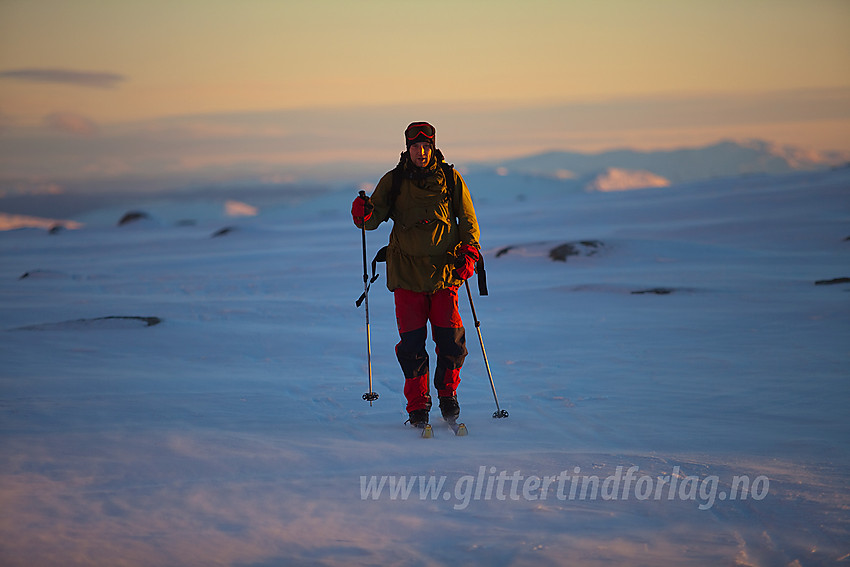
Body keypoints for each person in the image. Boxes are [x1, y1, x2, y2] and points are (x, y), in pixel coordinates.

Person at [351, 121, 481, 427]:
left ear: (433, 147)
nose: (421, 153)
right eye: (415, 147)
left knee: (451, 342)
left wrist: (470, 251)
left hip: (444, 274)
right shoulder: (394, 181)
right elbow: (372, 220)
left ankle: (448, 397)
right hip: (407, 275)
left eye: (426, 147)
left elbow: (467, 219)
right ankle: (418, 406)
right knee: (412, 346)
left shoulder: (451, 178)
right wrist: (363, 212)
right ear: (407, 148)